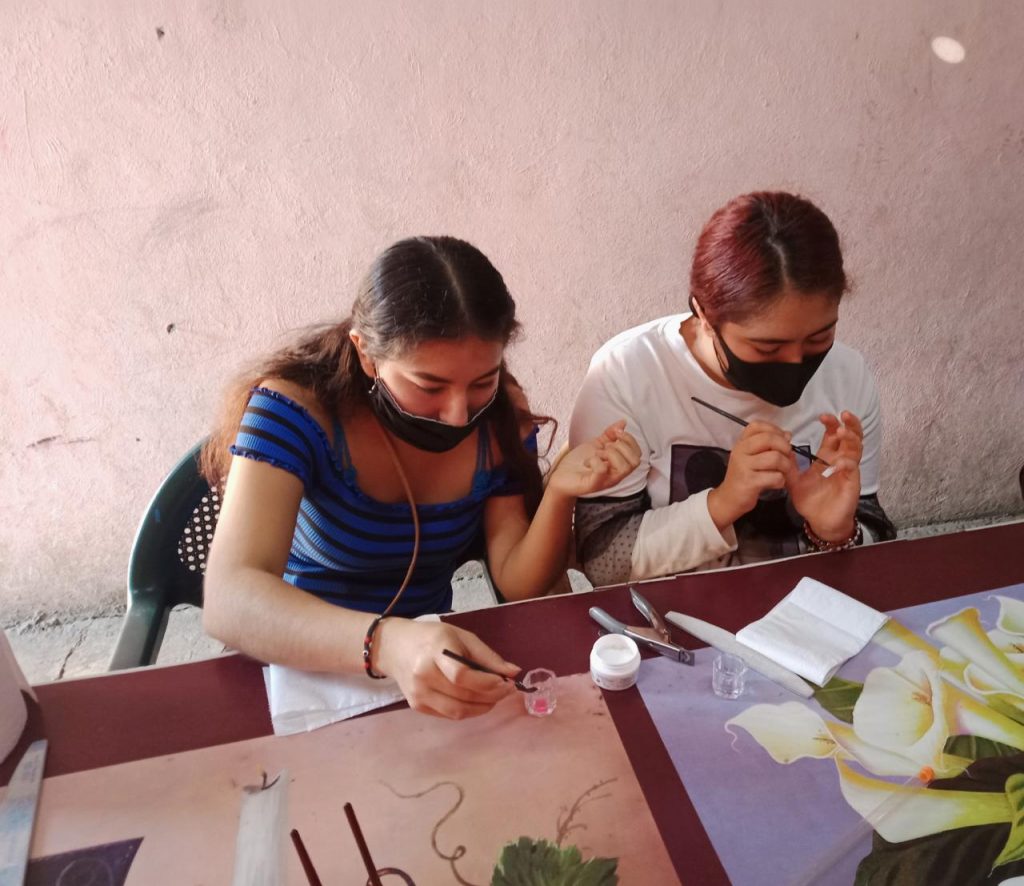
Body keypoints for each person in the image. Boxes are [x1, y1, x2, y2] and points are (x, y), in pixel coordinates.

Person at [202, 236, 640, 719]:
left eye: (483, 381)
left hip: (431, 664)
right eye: (429, 385)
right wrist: (385, 644)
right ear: (366, 354)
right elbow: (230, 598)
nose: (458, 415)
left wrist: (559, 492)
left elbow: (517, 582)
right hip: (299, 662)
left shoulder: (500, 420)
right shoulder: (295, 411)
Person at [569, 191, 896, 586]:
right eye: (767, 348)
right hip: (672, 610)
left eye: (818, 338)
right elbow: (603, 561)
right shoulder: (627, 374)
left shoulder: (847, 374)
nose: (796, 362)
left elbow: (875, 538)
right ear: (705, 316)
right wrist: (723, 502)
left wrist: (835, 531)